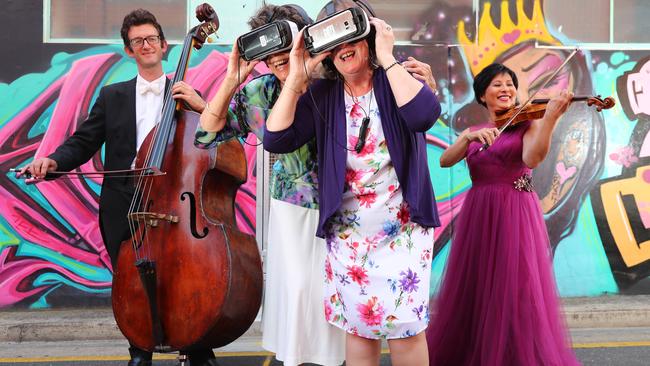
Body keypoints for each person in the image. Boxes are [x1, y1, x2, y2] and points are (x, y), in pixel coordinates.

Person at [17, 9, 216, 366]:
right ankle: (140, 350)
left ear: (164, 45)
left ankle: (197, 347)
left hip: (175, 200)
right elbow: (83, 142)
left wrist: (201, 109)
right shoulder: (113, 96)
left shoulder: (187, 93)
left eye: (151, 38)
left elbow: (209, 141)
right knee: (132, 281)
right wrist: (53, 161)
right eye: (138, 41)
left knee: (186, 273)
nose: (146, 45)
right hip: (124, 202)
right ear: (129, 51)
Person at [262, 0, 441, 364]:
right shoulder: (323, 95)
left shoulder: (395, 78)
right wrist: (297, 79)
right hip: (348, 238)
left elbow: (424, 116)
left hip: (403, 233)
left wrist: (388, 57)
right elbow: (275, 139)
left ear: (370, 34)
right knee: (359, 331)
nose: (343, 47)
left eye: (351, 35)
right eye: (332, 40)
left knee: (406, 330)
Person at [196, 4, 348, 366]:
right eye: (269, 48)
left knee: (336, 299)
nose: (277, 56)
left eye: (285, 42)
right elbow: (205, 134)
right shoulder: (260, 92)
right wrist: (232, 77)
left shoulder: (336, 78)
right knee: (297, 294)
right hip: (291, 210)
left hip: (345, 207)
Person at [426, 63, 580, 365]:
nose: (506, 89)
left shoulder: (528, 124)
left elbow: (532, 158)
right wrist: (467, 139)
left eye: (510, 84)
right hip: (480, 213)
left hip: (515, 212)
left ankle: (515, 354)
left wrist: (549, 119)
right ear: (483, 95)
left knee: (516, 285)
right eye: (497, 84)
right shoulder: (474, 132)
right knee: (478, 284)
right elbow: (445, 160)